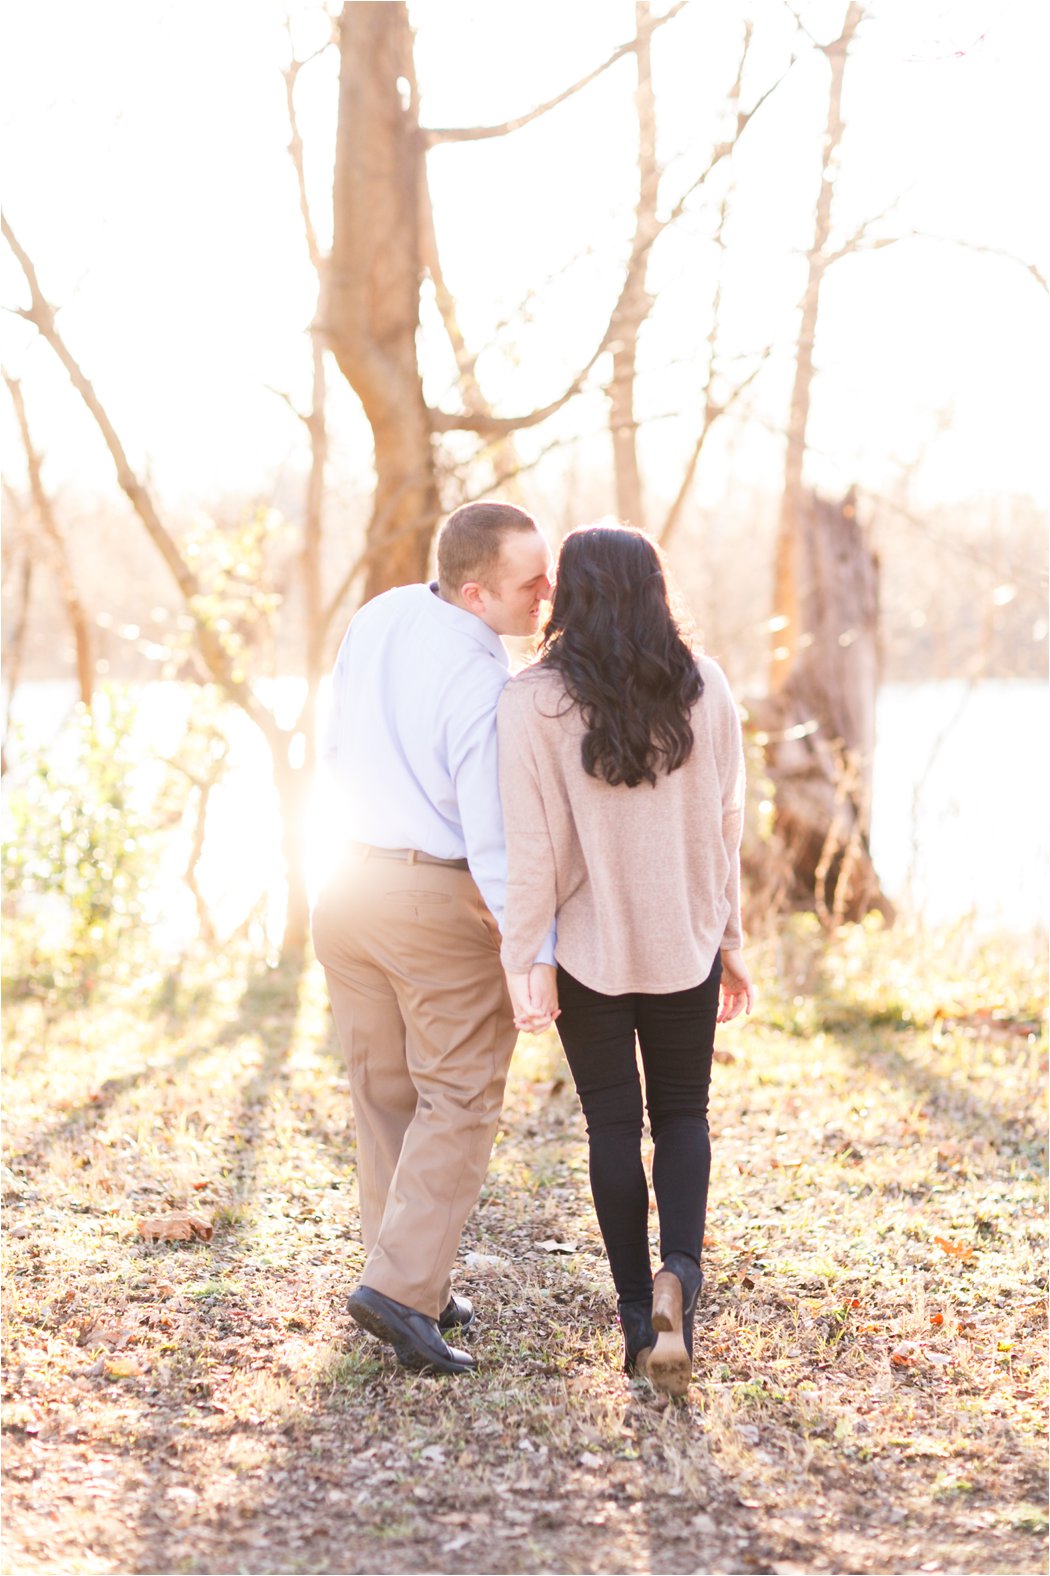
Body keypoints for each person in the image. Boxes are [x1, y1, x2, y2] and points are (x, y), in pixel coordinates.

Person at [496, 523, 753, 1397]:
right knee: (684, 1117)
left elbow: (531, 849)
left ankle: (641, 1319)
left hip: (589, 953)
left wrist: (522, 955)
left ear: (568, 593)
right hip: (687, 943)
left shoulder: (531, 701)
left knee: (613, 1125)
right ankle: (682, 1272)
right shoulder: (705, 685)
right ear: (654, 590)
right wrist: (732, 942)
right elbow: (727, 827)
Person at [312, 500, 556, 1377]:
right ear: (478, 590)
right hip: (430, 896)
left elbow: (333, 748)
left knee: (385, 1093)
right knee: (459, 1097)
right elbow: (490, 832)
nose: (548, 594)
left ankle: (409, 1269)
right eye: (533, 581)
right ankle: (400, 1292)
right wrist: (526, 949)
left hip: (345, 889)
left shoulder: (380, 614)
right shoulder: (483, 681)